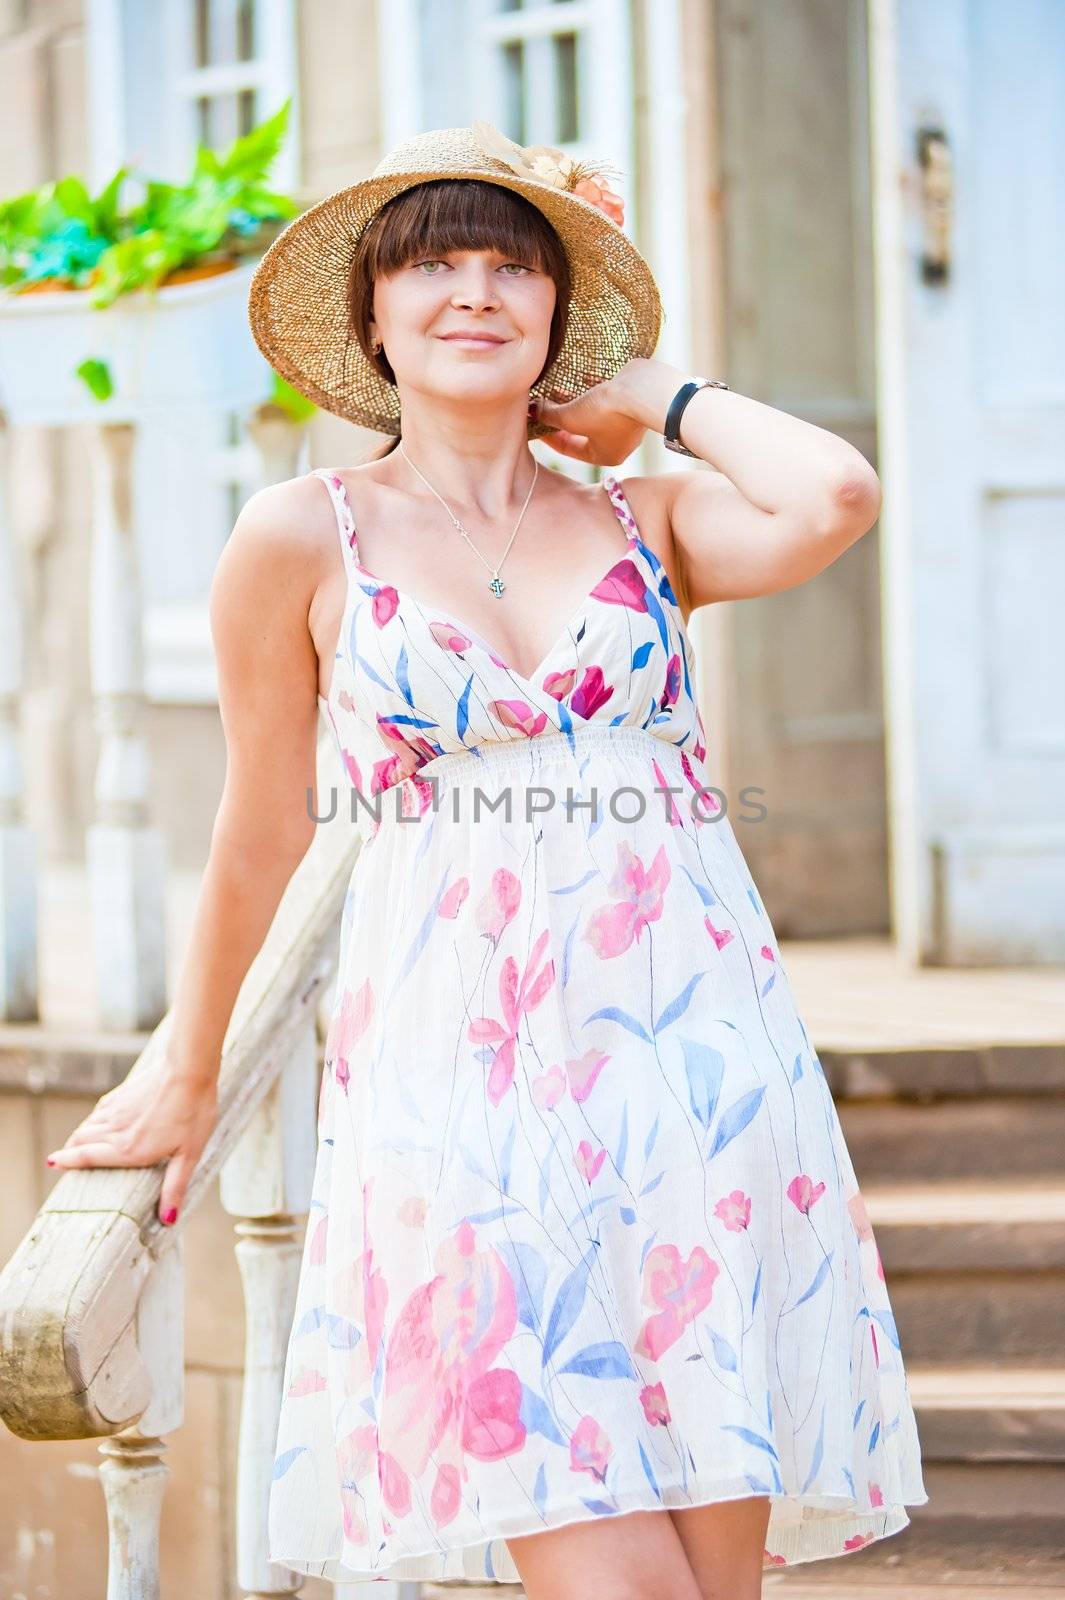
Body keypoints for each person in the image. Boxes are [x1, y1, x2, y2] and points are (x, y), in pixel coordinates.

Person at [45, 122, 927, 1598]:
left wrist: (659, 394)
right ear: (373, 319)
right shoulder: (298, 537)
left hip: (696, 1085)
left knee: (719, 1586)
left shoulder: (647, 522)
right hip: (463, 1097)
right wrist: (190, 1066)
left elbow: (832, 494)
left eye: (511, 269)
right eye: (433, 266)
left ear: (554, 320)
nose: (473, 293)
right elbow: (261, 818)